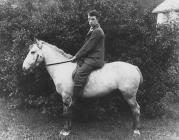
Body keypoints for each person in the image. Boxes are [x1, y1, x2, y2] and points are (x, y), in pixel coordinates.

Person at [70, 10, 105, 103]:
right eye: (89, 19)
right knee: (74, 73)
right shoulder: (93, 29)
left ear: (98, 20)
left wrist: (76, 56)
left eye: (92, 19)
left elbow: (88, 47)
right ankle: (83, 92)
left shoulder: (98, 31)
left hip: (95, 59)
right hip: (90, 57)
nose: (90, 21)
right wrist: (78, 57)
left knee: (79, 74)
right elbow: (86, 46)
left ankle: (74, 101)